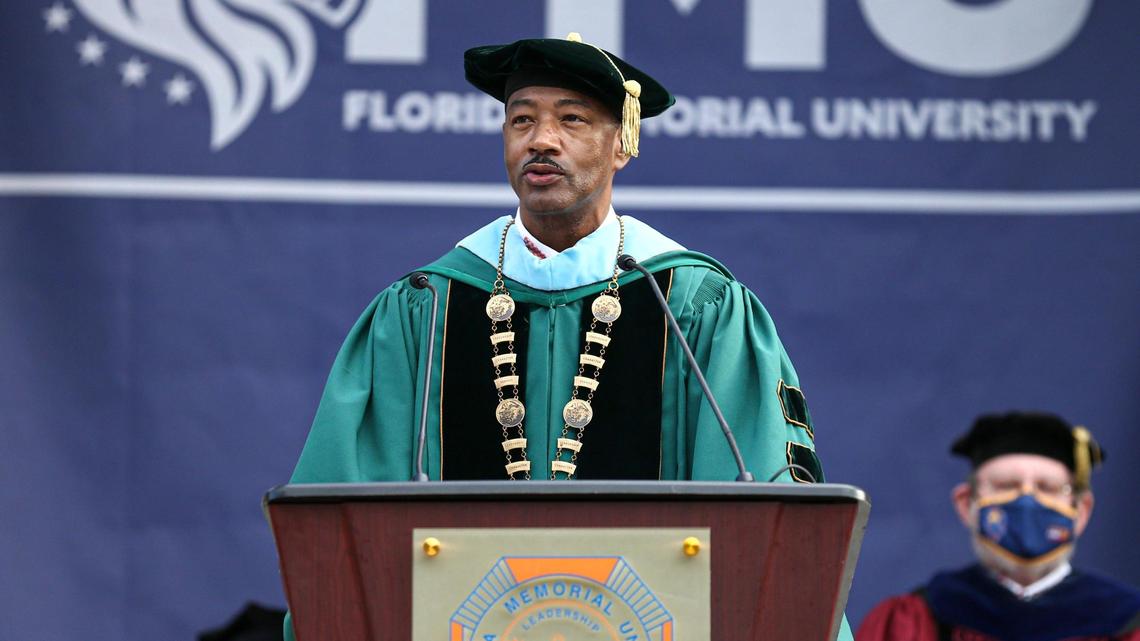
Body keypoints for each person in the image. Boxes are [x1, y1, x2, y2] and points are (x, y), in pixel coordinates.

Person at [286, 33, 849, 640]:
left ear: (620, 146)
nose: (541, 140)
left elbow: (760, 523)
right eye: (521, 119)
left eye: (572, 120)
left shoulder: (694, 305)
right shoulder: (426, 308)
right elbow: (343, 530)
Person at [857, 411, 1140, 641]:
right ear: (966, 503)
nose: (1027, 501)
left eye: (1048, 487)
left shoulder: (1125, 621)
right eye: (1006, 486)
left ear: (1082, 510)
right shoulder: (912, 622)